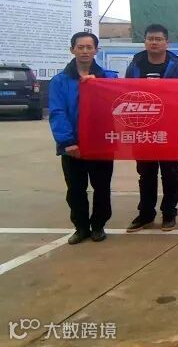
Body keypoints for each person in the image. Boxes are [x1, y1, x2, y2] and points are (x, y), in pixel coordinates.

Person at [49, 32, 117, 245]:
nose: (85, 51)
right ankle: (81, 227)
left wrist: (98, 87)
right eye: (80, 47)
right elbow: (57, 112)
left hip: (100, 144)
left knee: (102, 187)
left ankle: (98, 226)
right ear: (72, 50)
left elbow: (115, 107)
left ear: (96, 50)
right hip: (73, 146)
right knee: (76, 189)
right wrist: (67, 142)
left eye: (89, 47)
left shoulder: (108, 79)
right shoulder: (59, 81)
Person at [125, 24, 178, 233]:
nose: (154, 43)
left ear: (167, 42)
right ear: (145, 41)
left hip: (169, 127)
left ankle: (169, 213)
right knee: (146, 172)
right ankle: (146, 213)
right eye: (150, 39)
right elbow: (126, 92)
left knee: (169, 171)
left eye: (158, 39)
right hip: (142, 127)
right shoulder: (135, 64)